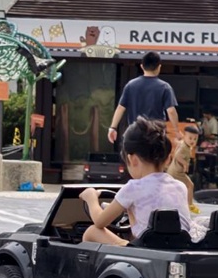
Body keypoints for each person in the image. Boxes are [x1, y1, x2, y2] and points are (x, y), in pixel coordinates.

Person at [82, 117, 204, 246]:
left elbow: (100, 221)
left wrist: (91, 198)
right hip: (179, 247)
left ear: (132, 159)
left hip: (146, 249)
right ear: (168, 159)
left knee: (92, 231)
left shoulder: (133, 188)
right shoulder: (180, 187)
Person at [107, 52, 179, 144]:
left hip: (135, 133)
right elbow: (171, 111)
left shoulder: (130, 85)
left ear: (142, 66)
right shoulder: (165, 87)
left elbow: (120, 108)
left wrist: (113, 128)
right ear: (159, 67)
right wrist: (176, 131)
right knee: (154, 157)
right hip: (155, 134)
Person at [168, 124, 201, 214]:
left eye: (195, 139)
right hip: (177, 172)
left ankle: (177, 204)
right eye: (190, 138)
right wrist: (185, 164)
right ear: (185, 136)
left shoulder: (184, 144)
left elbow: (179, 142)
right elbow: (177, 155)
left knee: (175, 188)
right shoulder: (184, 147)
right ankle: (190, 205)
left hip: (173, 171)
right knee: (190, 185)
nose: (192, 141)